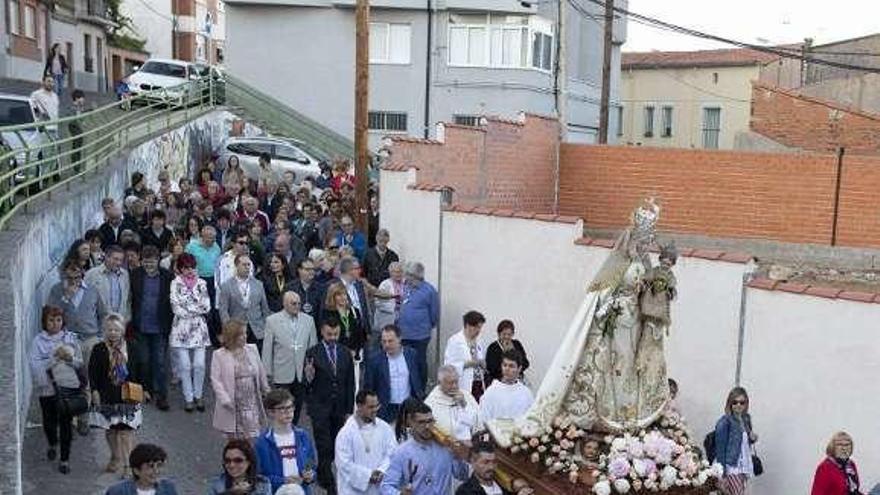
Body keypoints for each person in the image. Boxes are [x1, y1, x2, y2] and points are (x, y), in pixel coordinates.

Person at [490, 200, 672, 446]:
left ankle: (628, 414)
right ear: (632, 237)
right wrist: (611, 306)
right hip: (615, 325)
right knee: (614, 368)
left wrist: (659, 297)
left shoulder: (645, 265)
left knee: (629, 368)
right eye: (641, 240)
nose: (644, 245)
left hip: (635, 325)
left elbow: (647, 294)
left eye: (647, 241)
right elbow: (599, 297)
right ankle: (610, 412)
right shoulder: (618, 263)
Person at [305, 316, 356, 495]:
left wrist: (350, 410)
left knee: (336, 444)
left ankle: (323, 471)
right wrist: (308, 375)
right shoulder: (313, 352)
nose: (333, 337)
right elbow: (307, 382)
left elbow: (351, 382)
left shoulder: (344, 352)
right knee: (324, 445)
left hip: (339, 408)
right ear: (322, 332)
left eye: (335, 334)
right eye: (329, 334)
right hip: (320, 407)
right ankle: (330, 485)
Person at [29, 306, 83, 474]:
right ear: (45, 322)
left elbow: (80, 363)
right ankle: (53, 442)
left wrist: (70, 359)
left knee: (66, 424)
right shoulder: (38, 341)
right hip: (48, 390)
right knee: (49, 423)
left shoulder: (71, 338)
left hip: (68, 389)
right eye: (51, 320)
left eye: (58, 320)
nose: (55, 324)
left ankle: (65, 460)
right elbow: (35, 367)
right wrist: (54, 358)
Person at [89, 314, 143, 475]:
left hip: (128, 394)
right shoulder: (99, 349)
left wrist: (144, 389)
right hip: (107, 394)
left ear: (122, 331)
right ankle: (115, 457)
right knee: (111, 430)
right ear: (105, 331)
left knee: (126, 431)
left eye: (116, 330)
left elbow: (140, 368)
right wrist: (94, 391)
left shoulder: (132, 346)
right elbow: (92, 372)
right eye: (109, 329)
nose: (113, 333)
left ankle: (128, 465)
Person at [380, 400, 469, 495]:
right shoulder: (401, 452)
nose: (427, 426)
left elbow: (463, 475)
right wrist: (399, 494)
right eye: (421, 422)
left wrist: (458, 455)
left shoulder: (446, 447)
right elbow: (386, 486)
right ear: (411, 423)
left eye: (430, 421)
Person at [263, 291, 317, 426]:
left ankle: (293, 430)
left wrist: (311, 368)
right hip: (282, 371)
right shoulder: (272, 320)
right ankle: (280, 430)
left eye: (299, 303)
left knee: (297, 406)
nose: (297, 306)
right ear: (284, 303)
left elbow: (313, 347)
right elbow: (267, 348)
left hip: (301, 372)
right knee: (281, 407)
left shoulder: (308, 320)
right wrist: (266, 372)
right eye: (294, 303)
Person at [130, 245, 173, 411]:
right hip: (140, 326)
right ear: (141, 261)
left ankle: (162, 395)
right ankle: (146, 391)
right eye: (146, 262)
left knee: (160, 362)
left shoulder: (168, 276)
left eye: (152, 262)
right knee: (144, 361)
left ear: (158, 260)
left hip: (160, 327)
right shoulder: (135, 275)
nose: (149, 265)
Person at [211, 319, 270, 439]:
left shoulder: (252, 349)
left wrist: (266, 390)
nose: (245, 337)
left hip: (251, 403)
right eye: (241, 334)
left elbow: (261, 372)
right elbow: (215, 380)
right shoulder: (219, 355)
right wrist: (225, 400)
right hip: (233, 405)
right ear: (232, 336)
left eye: (245, 333)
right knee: (235, 443)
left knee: (254, 440)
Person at [169, 253, 212, 412]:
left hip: (199, 328)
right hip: (181, 328)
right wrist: (194, 309)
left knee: (199, 365)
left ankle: (198, 395)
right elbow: (175, 306)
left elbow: (206, 306)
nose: (189, 271)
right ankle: (188, 397)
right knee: (185, 366)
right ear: (180, 269)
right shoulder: (175, 283)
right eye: (186, 268)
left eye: (192, 267)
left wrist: (188, 307)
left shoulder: (202, 283)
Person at [335, 389, 398, 495]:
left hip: (379, 488)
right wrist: (368, 476)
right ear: (359, 406)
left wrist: (381, 471)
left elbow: (392, 453)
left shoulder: (385, 428)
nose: (375, 410)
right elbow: (344, 464)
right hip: (353, 491)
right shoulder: (346, 433)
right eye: (371, 407)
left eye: (377, 406)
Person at [255, 389, 318, 494]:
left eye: (290, 407)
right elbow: (259, 476)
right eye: (282, 408)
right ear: (270, 412)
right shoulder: (262, 442)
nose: (288, 412)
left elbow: (311, 463)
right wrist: (283, 481)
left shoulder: (303, 436)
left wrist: (310, 475)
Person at [363, 325, 424, 423]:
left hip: (408, 406)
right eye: (384, 341)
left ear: (399, 339)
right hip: (386, 408)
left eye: (390, 341)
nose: (387, 345)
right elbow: (369, 386)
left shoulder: (412, 355)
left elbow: (420, 377)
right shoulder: (375, 360)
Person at [397, 262, 439, 391]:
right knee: (405, 361)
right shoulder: (406, 287)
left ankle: (420, 389)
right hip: (403, 333)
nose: (406, 277)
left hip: (420, 335)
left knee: (419, 361)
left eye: (409, 275)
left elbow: (434, 314)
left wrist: (426, 326)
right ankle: (406, 387)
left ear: (417, 276)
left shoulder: (429, 290)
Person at [219, 255, 272, 352]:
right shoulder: (226, 286)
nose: (247, 267)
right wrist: (229, 328)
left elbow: (265, 308)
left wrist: (266, 327)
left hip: (257, 329)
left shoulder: (259, 284)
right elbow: (223, 310)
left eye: (249, 265)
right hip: (236, 330)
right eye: (244, 265)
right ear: (236, 266)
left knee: (257, 359)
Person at [714, 387, 759, 495]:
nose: (738, 405)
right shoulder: (724, 422)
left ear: (746, 404)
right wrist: (723, 474)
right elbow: (720, 449)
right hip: (732, 467)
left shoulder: (746, 419)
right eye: (735, 402)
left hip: (744, 466)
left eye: (742, 402)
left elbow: (743, 443)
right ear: (730, 403)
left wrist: (752, 438)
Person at [424, 365, 482, 443]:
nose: (454, 386)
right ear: (440, 382)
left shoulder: (467, 396)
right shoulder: (431, 402)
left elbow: (478, 421)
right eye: (450, 383)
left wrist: (464, 404)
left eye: (456, 382)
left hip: (468, 446)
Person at [186, 224, 222, 345]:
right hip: (198, 280)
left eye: (214, 238)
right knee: (201, 308)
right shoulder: (192, 247)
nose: (212, 240)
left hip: (213, 281)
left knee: (212, 308)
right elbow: (185, 263)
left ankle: (212, 336)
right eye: (209, 238)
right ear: (202, 236)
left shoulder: (216, 247)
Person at [443, 311, 487, 401]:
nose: (479, 331)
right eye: (477, 327)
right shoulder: (455, 341)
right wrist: (467, 364)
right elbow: (448, 366)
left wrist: (482, 364)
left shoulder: (479, 341)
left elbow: (480, 358)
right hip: (463, 383)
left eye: (480, 327)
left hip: (478, 383)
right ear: (468, 325)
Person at [479, 351, 533, 422]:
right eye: (505, 365)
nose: (507, 369)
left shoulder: (526, 393)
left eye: (511, 366)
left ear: (519, 368)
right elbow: (483, 420)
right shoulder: (491, 392)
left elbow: (530, 419)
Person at [104, 443, 178, 495]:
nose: (156, 471)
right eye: (150, 466)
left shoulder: (168, 488)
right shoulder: (118, 492)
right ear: (136, 470)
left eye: (159, 465)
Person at [85, 244, 132, 321]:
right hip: (98, 323)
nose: (119, 263)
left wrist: (127, 318)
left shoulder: (125, 275)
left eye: (121, 260)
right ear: (106, 257)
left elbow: (128, 299)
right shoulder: (92, 275)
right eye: (115, 259)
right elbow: (86, 300)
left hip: (119, 324)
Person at [209, 439, 273, 495]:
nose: (232, 465)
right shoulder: (216, 484)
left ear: (249, 462)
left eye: (238, 460)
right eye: (227, 461)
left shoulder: (263, 484)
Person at [322, 282, 367, 358]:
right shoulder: (327, 313)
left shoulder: (355, 311)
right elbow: (327, 336)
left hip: (355, 353)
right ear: (333, 297)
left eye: (345, 294)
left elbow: (360, 334)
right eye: (339, 295)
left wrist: (357, 351)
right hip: (336, 354)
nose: (343, 297)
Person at [484, 320, 530, 386]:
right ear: (499, 334)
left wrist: (515, 373)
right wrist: (509, 373)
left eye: (509, 334)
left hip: (518, 380)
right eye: (504, 334)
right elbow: (491, 368)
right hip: (501, 382)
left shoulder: (517, 344)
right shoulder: (493, 347)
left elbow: (526, 363)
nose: (507, 337)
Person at [372, 262, 404, 334]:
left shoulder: (406, 283)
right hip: (388, 317)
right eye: (396, 272)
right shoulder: (385, 284)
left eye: (400, 271)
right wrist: (393, 306)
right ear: (390, 273)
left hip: (402, 318)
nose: (399, 274)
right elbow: (377, 302)